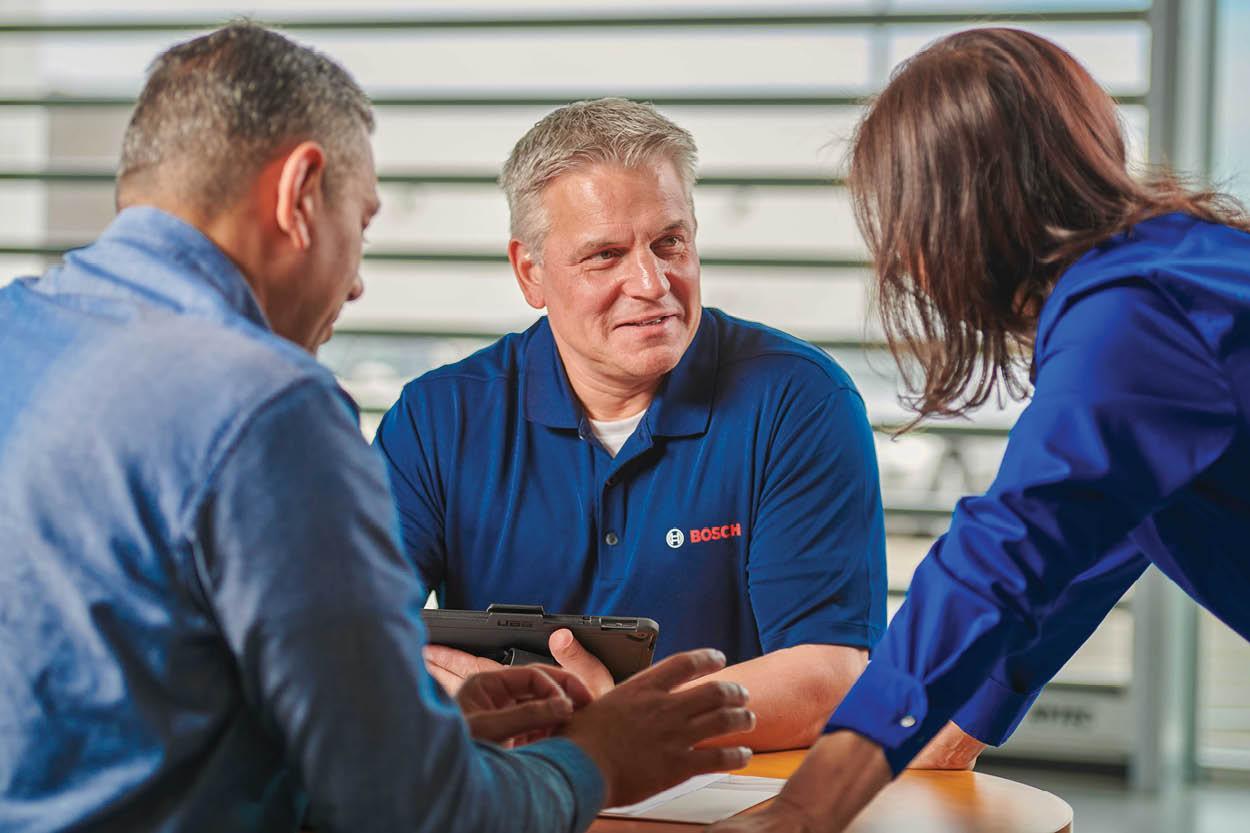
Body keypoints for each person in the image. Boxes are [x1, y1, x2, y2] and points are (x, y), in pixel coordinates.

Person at [0, 24, 759, 833]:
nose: (357, 283)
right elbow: (413, 810)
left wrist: (419, 725)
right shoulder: (268, 404)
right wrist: (595, 758)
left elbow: (129, 704)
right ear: (301, 193)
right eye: (359, 225)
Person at [709, 26, 1250, 832]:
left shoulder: (1128, 325)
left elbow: (1004, 555)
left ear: (957, 217)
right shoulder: (1174, 269)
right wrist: (958, 728)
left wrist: (807, 805)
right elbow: (1091, 545)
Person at [373, 97, 888, 751]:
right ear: (531, 272)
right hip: (517, 802)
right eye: (605, 255)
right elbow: (350, 638)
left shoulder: (799, 401)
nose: (651, 281)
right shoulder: (436, 420)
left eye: (670, 242)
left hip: (732, 805)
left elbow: (829, 677)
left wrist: (606, 726)